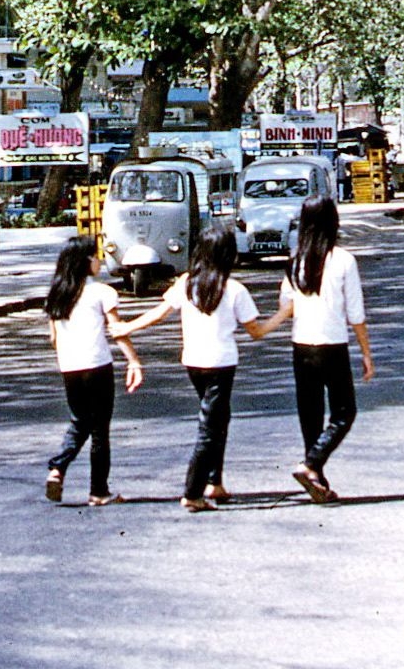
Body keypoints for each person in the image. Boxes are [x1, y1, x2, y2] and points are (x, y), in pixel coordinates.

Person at [119, 226, 288, 512]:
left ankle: (215, 482)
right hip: (221, 364)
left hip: (193, 362)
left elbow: (158, 314)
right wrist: (285, 313)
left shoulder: (186, 283)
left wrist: (127, 326)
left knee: (217, 419)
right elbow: (256, 331)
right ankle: (193, 492)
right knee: (210, 427)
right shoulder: (233, 289)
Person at [278, 194, 374, 504]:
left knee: (311, 414)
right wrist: (366, 353)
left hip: (301, 345)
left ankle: (316, 476)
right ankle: (311, 464)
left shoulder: (295, 261)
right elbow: (355, 313)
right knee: (345, 411)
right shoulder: (343, 260)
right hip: (333, 344)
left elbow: (285, 305)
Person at [43, 235, 143, 507]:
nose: (99, 260)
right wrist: (133, 360)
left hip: (70, 367)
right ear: (86, 262)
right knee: (99, 431)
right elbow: (117, 330)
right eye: (95, 256)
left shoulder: (57, 294)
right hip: (97, 365)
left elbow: (53, 338)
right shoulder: (101, 292)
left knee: (79, 421)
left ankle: (58, 468)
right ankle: (99, 491)